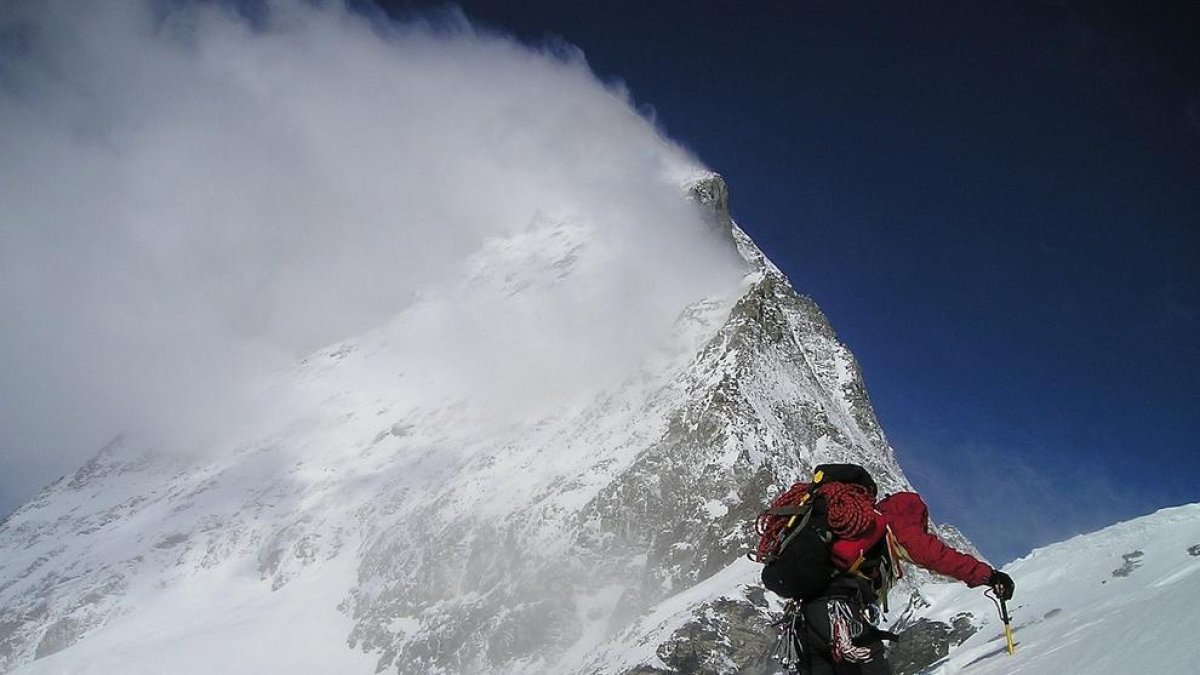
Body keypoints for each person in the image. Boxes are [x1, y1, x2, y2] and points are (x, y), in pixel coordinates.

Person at [785, 466, 1015, 675]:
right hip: (840, 613)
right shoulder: (895, 522)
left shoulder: (846, 527)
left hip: (804, 620)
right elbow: (936, 556)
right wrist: (989, 575)